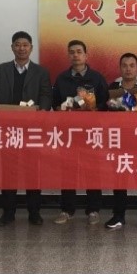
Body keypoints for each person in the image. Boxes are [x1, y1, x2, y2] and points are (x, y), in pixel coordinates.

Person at [0, 31, 52, 227]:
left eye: (25, 45)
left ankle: (34, 212)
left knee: (33, 171)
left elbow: (46, 95)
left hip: (32, 129)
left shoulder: (41, 72)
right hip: (8, 129)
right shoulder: (0, 70)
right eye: (17, 44)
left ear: (31, 48)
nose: (21, 48)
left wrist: (43, 109)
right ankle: (8, 213)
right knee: (8, 172)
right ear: (12, 47)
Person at [52, 40, 109, 226]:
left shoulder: (97, 78)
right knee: (67, 171)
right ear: (68, 56)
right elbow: (54, 103)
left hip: (91, 132)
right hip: (68, 132)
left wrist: (94, 108)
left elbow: (106, 103)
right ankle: (67, 210)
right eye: (72, 52)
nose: (75, 55)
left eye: (79, 52)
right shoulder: (61, 78)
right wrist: (62, 108)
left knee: (92, 171)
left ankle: (93, 210)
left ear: (86, 55)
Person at [104, 53, 137, 230]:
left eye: (132, 65)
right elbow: (102, 114)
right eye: (125, 65)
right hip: (118, 141)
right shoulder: (112, 88)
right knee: (119, 180)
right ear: (120, 68)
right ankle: (118, 215)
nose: (128, 69)